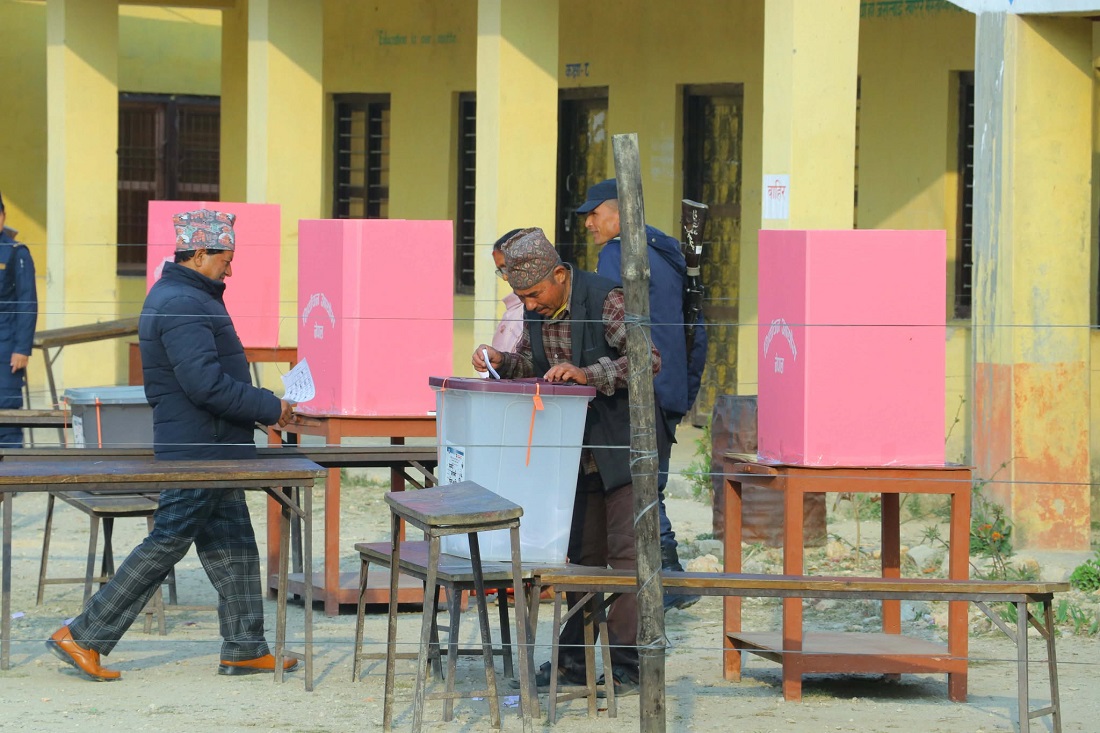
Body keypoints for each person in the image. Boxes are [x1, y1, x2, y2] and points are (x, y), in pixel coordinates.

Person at [47, 208, 295, 682]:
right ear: (199, 254)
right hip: (199, 447)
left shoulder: (188, 296)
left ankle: (245, 647)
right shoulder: (183, 302)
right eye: (226, 257)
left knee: (235, 546)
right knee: (167, 542)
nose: (231, 267)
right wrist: (268, 406)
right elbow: (205, 385)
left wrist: (256, 412)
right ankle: (83, 635)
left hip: (214, 445)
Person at [473, 227, 667, 697]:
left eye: (535, 294)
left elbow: (649, 359)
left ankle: (627, 666)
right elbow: (528, 363)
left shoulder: (606, 300)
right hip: (572, 455)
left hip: (624, 449)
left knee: (626, 559)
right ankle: (576, 663)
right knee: (581, 558)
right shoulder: (536, 307)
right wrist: (501, 357)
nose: (531, 305)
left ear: (559, 275)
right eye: (523, 297)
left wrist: (588, 374)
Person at [577, 178, 708, 611]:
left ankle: (666, 580)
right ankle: (668, 580)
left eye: (594, 215)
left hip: (641, 385)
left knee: (637, 485)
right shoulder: (666, 251)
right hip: (670, 385)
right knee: (651, 484)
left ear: (616, 213)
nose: (589, 225)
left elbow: (607, 328)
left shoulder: (619, 254)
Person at [0, 191, 38, 449]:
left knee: (6, 419)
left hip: (6, 350)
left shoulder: (16, 253)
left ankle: (8, 485)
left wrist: (22, 349)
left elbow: (27, 302)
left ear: (3, 217)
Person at [490, 229, 524, 354]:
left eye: (506, 268)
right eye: (501, 271)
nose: (505, 277)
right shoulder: (513, 310)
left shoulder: (535, 308)